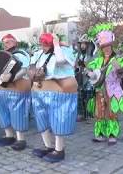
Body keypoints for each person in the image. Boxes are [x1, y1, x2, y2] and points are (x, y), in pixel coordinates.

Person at [30, 33, 78, 163]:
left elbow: (61, 61)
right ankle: (48, 147)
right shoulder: (39, 53)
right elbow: (32, 67)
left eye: (45, 44)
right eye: (42, 44)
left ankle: (59, 149)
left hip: (58, 93)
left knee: (58, 120)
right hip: (39, 92)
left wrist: (57, 44)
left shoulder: (63, 51)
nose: (43, 46)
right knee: (42, 121)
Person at [86, 23, 123, 145]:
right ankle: (100, 134)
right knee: (100, 113)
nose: (106, 48)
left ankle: (112, 134)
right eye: (104, 47)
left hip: (113, 90)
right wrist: (90, 74)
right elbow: (89, 71)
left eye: (108, 46)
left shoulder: (117, 59)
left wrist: (119, 69)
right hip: (100, 91)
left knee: (112, 113)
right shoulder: (98, 60)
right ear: (101, 48)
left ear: (112, 47)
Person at [0, 34, 31, 151]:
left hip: (17, 88)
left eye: (8, 42)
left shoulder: (21, 54)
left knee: (18, 112)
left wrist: (11, 78)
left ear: (15, 42)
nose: (6, 44)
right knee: (3, 112)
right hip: (1, 89)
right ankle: (9, 135)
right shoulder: (1, 55)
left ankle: (21, 139)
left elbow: (24, 69)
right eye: (4, 42)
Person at [75, 34, 96, 122]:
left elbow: (94, 67)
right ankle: (81, 114)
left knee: (88, 96)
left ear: (88, 45)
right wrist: (77, 67)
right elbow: (75, 66)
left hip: (89, 79)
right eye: (81, 44)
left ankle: (89, 115)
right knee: (80, 96)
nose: (83, 45)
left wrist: (85, 65)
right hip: (80, 78)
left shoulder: (92, 55)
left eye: (85, 43)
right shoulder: (78, 55)